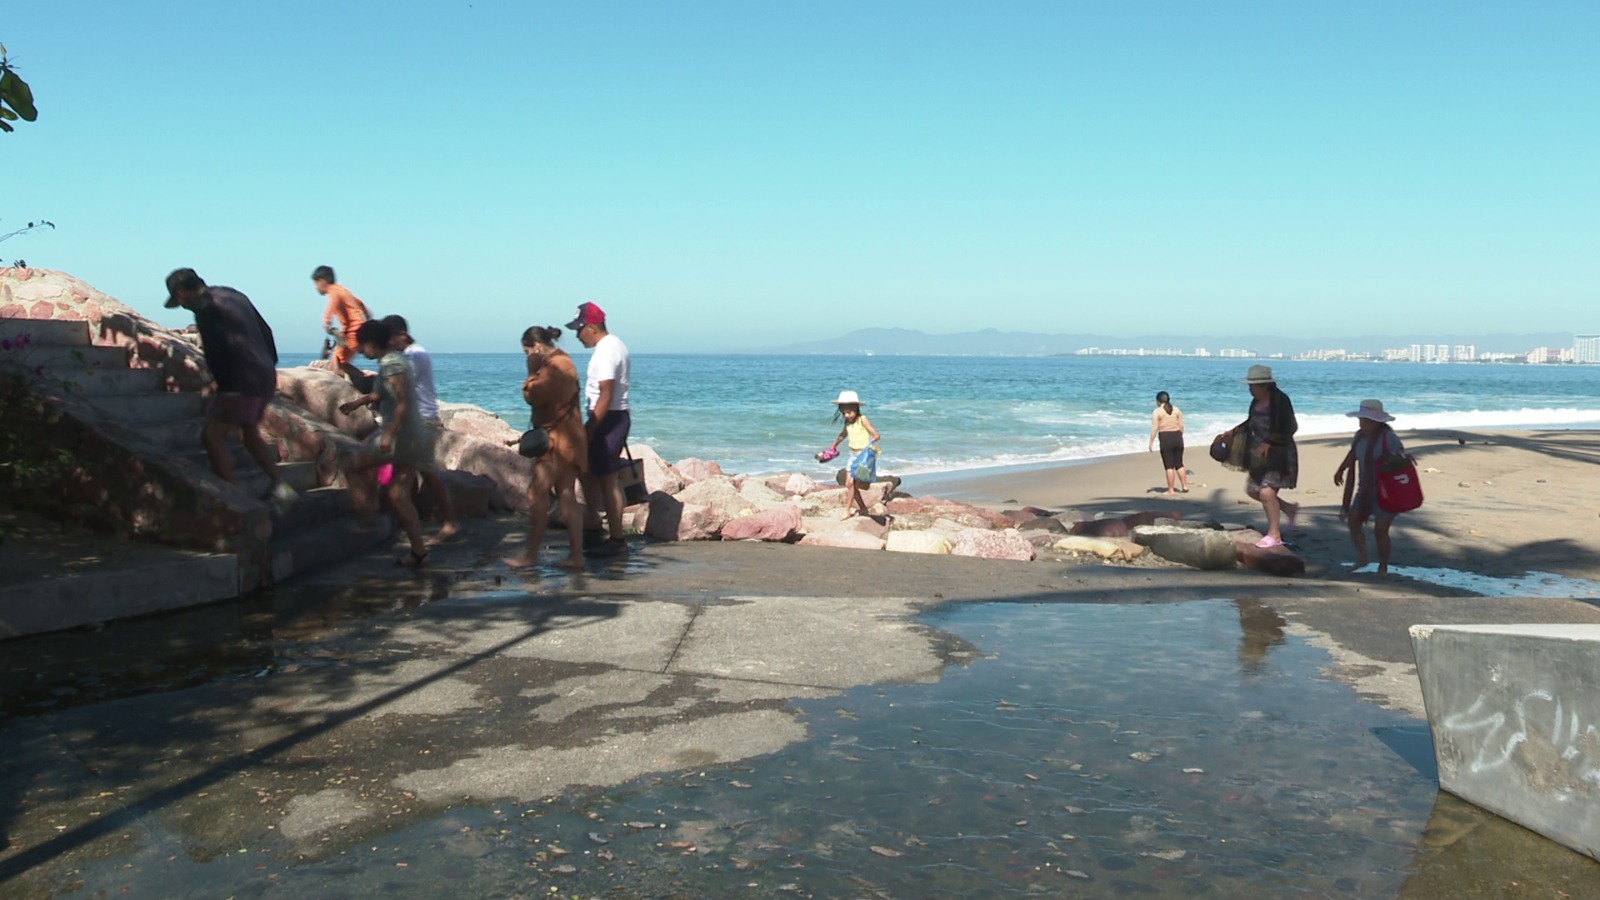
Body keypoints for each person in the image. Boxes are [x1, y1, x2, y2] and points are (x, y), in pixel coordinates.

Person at [162, 268, 294, 503]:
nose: (183, 307)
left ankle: (232, 501)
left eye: (180, 301)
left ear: (182, 292)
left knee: (212, 437)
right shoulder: (234, 295)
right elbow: (266, 331)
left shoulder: (205, 307)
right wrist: (268, 364)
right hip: (263, 374)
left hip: (239, 378)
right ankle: (282, 488)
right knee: (249, 433)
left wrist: (222, 386)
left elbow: (216, 351)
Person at [337, 319, 430, 566]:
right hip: (410, 436)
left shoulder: (391, 364)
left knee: (352, 465)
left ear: (370, 343)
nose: (360, 351)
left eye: (361, 346)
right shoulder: (393, 361)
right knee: (399, 495)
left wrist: (389, 434)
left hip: (400, 436)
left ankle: (367, 514)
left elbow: (402, 401)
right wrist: (357, 403)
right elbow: (384, 393)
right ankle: (418, 552)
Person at [505, 326, 588, 569]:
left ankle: (531, 555)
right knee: (566, 496)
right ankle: (576, 557)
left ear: (537, 347)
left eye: (527, 351)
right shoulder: (566, 362)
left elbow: (534, 396)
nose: (527, 356)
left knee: (536, 493)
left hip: (556, 443)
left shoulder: (554, 367)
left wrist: (531, 373)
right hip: (571, 440)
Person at [380, 314, 460, 545]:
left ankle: (415, 530)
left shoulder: (414, 355)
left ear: (401, 335)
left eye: (390, 338)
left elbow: (398, 387)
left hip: (421, 422)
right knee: (428, 473)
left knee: (405, 476)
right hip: (420, 420)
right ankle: (447, 522)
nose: (387, 344)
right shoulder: (408, 355)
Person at [567, 302, 632, 557]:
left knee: (607, 478)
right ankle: (595, 526)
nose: (576, 335)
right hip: (613, 417)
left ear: (592, 327)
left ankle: (616, 538)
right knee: (591, 472)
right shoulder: (614, 344)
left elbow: (606, 394)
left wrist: (590, 429)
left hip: (609, 418)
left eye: (579, 329)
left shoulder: (606, 351)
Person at [1228, 364, 1299, 549]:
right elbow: (1251, 422)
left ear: (1264, 385)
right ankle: (1289, 509)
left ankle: (1274, 535)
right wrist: (1233, 432)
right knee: (1252, 490)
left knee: (1266, 492)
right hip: (1259, 455)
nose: (1250, 389)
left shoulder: (1280, 400)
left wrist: (1269, 442)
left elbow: (1290, 426)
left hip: (1279, 454)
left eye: (1253, 385)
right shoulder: (1255, 402)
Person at [1334, 399, 1406, 576]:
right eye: (1361, 420)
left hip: (1387, 492)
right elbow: (1353, 453)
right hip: (1365, 489)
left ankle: (1383, 567)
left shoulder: (1389, 439)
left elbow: (1402, 462)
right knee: (1353, 521)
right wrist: (1341, 469)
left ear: (1376, 421)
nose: (1362, 423)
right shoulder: (1360, 436)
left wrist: (1389, 464)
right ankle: (1363, 558)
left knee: (1380, 531)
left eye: (1365, 420)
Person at [824, 390, 881, 518]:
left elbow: (875, 433)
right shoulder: (848, 422)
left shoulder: (862, 420)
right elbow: (844, 434)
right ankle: (862, 508)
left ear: (856, 409)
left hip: (863, 456)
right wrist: (834, 444)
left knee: (851, 484)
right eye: (844, 413)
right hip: (852, 455)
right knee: (849, 484)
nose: (847, 415)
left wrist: (875, 438)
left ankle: (847, 510)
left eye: (849, 412)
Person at [311, 265, 369, 382]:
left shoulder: (334, 292)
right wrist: (367, 315)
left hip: (353, 330)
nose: (316, 287)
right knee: (341, 361)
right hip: (356, 329)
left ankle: (340, 384)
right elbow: (359, 302)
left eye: (316, 283)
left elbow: (333, 304)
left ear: (323, 281)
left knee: (336, 360)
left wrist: (326, 321)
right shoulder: (342, 290)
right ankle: (364, 377)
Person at [1148, 390, 1189, 495]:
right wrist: (1180, 436)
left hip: (1166, 438)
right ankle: (1184, 486)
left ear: (1158, 401)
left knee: (1169, 465)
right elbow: (1181, 426)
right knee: (1179, 463)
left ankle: (1171, 490)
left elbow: (1155, 428)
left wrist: (1151, 443)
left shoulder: (1157, 412)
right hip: (1177, 437)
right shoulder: (1176, 410)